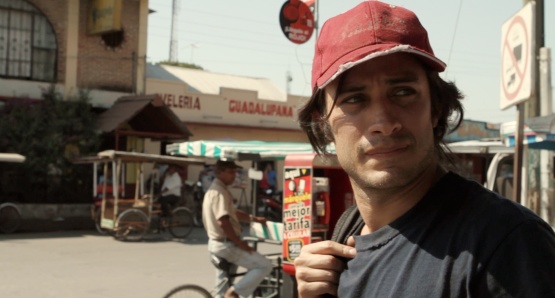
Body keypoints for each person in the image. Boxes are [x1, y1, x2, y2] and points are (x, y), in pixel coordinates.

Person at [293, 1, 555, 297]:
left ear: (436, 109)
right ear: (323, 123)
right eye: (354, 99)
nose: (383, 123)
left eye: (403, 92)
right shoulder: (347, 232)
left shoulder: (506, 243)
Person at [202, 160, 273, 298]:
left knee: (221, 289)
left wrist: (254, 218)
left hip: (217, 244)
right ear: (219, 172)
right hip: (225, 244)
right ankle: (235, 292)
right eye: (230, 172)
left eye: (235, 172)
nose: (234, 176)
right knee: (264, 265)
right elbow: (223, 221)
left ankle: (226, 293)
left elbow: (233, 212)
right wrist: (240, 243)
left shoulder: (219, 190)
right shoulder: (219, 192)